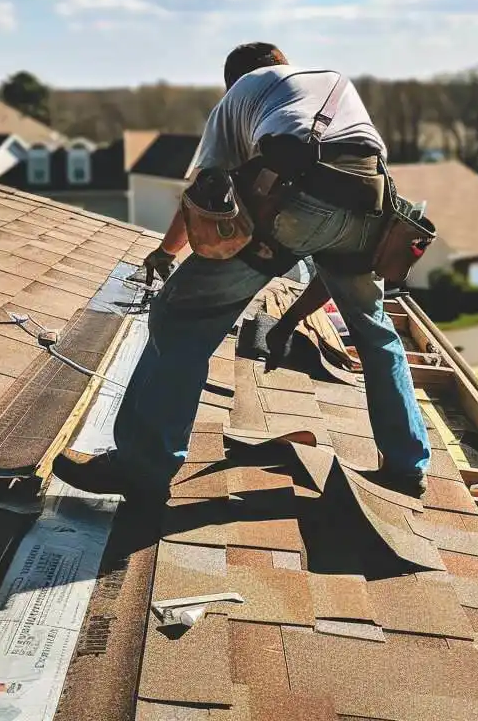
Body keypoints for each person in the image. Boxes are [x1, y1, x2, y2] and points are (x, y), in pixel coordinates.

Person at [53, 43, 431, 502]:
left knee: (181, 318)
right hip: (370, 210)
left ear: (233, 80)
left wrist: (166, 252)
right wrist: (289, 321)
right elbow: (331, 244)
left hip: (299, 204)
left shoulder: (242, 94)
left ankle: (141, 467)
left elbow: (207, 192)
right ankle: (407, 465)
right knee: (377, 335)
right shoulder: (332, 83)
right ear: (283, 63)